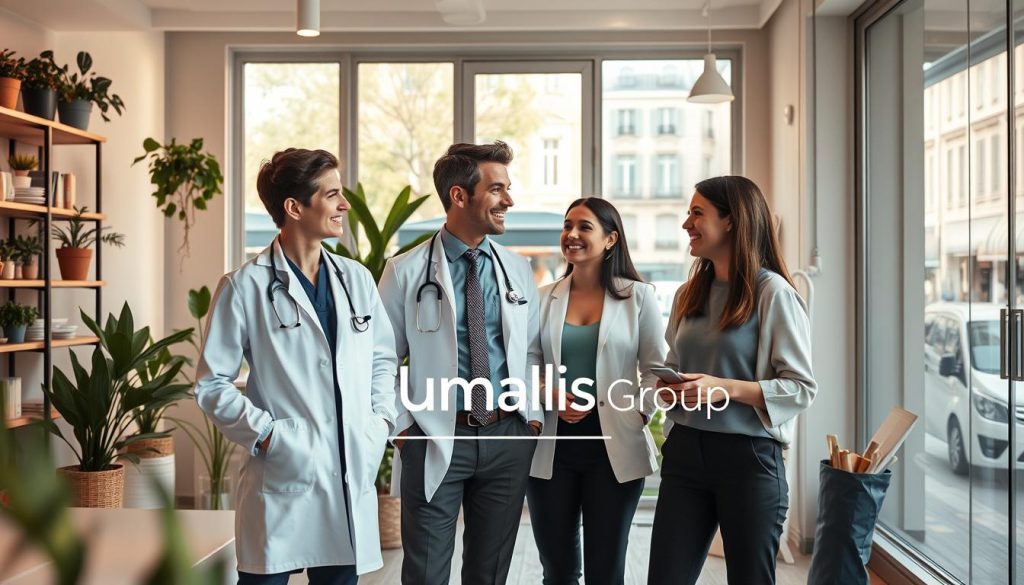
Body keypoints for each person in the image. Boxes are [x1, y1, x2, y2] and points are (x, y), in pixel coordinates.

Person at [194, 148, 398, 585]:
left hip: (347, 473)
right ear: (294, 207)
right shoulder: (244, 286)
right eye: (333, 195)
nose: (345, 205)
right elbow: (212, 384)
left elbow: (383, 359)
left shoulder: (355, 279)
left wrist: (378, 421)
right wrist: (267, 436)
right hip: (284, 474)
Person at [378, 141, 543, 585]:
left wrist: (530, 421)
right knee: (427, 571)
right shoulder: (405, 270)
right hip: (435, 435)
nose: (508, 200)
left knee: (489, 574)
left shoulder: (517, 270)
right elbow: (380, 360)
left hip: (507, 435)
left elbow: (530, 351)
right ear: (459, 195)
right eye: (497, 189)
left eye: (507, 189)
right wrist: (404, 428)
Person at [647, 176, 816, 585]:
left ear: (731, 221)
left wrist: (723, 388)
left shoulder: (772, 293)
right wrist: (670, 391)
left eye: (697, 213)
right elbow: (674, 364)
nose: (687, 223)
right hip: (685, 452)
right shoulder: (689, 293)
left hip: (749, 460)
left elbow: (801, 388)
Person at [527, 197, 667, 585]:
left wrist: (639, 412)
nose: (571, 234)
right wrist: (546, 393)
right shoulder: (543, 298)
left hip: (614, 450)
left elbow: (655, 370)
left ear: (610, 239)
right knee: (557, 570)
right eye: (567, 225)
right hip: (552, 449)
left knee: (606, 570)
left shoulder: (638, 297)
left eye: (584, 227)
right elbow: (528, 364)